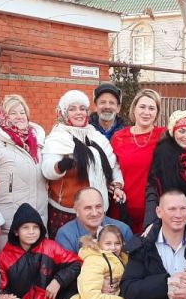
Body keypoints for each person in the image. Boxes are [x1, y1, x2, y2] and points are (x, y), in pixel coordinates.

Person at [42, 90, 125, 238]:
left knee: (94, 253)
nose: (78, 113)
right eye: (72, 109)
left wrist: (117, 185)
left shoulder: (95, 135)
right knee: (68, 254)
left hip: (95, 211)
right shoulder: (58, 137)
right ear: (64, 113)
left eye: (82, 109)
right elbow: (47, 169)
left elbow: (113, 165)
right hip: (67, 211)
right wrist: (60, 166)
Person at [0, 94, 48, 251]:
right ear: (3, 116)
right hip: (8, 228)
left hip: (37, 225)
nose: (19, 117)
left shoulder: (38, 145)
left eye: (22, 112)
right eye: (13, 113)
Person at [109, 89, 167, 232]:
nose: (146, 112)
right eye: (142, 107)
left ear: (157, 113)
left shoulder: (164, 136)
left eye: (151, 108)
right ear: (134, 108)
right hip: (122, 209)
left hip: (154, 210)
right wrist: (115, 186)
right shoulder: (119, 137)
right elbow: (112, 169)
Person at [55, 187, 133, 254]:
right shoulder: (65, 235)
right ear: (76, 210)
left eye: (98, 206)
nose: (94, 213)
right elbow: (67, 269)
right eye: (88, 208)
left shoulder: (123, 230)